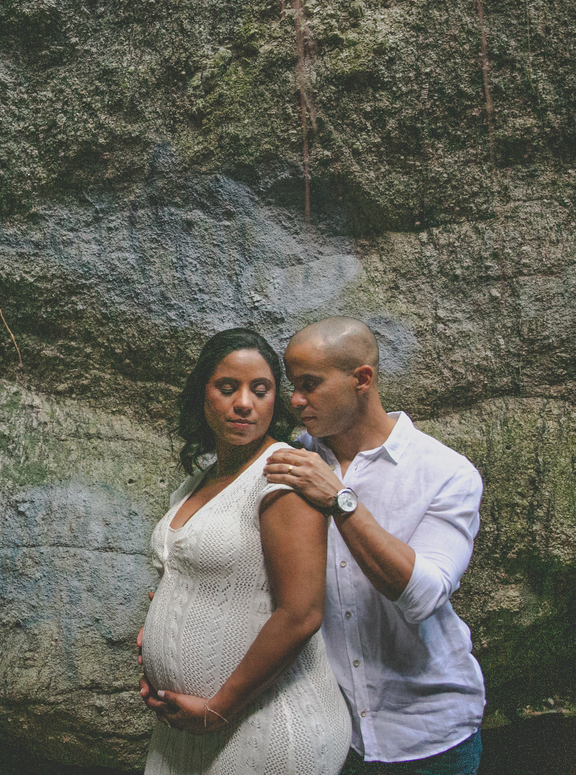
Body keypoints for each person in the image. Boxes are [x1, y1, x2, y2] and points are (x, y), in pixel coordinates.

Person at [263, 317, 485, 775]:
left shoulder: (446, 472)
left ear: (361, 379)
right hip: (333, 736)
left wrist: (339, 501)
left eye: (310, 384)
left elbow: (425, 594)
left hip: (430, 739)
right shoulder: (290, 460)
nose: (295, 400)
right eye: (292, 385)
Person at [137, 328, 351, 775]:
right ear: (203, 394)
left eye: (261, 389)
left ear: (276, 400)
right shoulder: (200, 480)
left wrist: (219, 708)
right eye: (227, 387)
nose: (244, 404)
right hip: (185, 728)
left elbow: (301, 614)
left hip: (262, 725)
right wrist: (157, 641)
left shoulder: (284, 475)